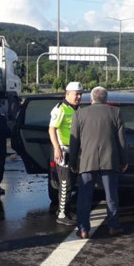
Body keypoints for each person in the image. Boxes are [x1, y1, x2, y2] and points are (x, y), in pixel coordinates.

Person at [69, 86, 128, 238]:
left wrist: (73, 162)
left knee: (84, 196)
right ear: (106, 99)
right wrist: (124, 160)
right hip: (110, 160)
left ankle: (83, 229)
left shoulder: (79, 114)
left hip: (87, 161)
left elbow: (74, 142)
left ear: (91, 99)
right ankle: (113, 226)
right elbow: (121, 141)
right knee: (111, 195)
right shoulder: (115, 112)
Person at [49, 81, 83, 225]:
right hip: (63, 150)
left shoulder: (76, 108)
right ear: (67, 93)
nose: (79, 97)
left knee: (71, 182)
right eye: (76, 94)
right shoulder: (60, 108)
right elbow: (52, 129)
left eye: (80, 94)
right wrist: (56, 148)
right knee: (65, 183)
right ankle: (62, 214)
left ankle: (66, 210)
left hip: (73, 150)